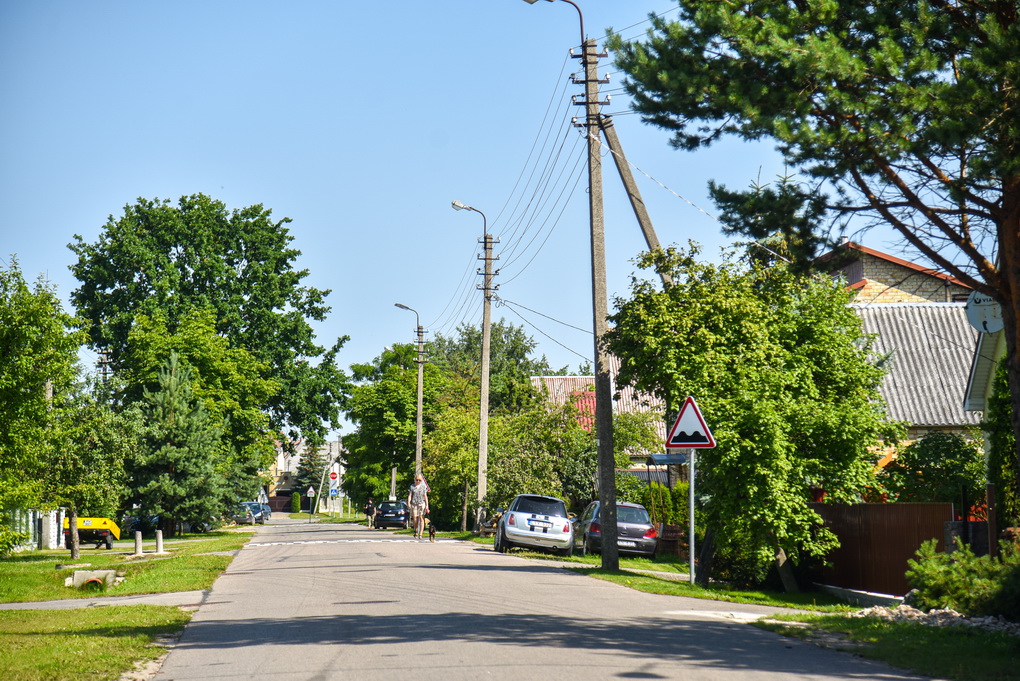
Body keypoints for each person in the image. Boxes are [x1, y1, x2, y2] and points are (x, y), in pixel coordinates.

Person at [407, 474, 430, 539]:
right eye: (417, 480)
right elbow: (410, 495)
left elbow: (425, 496)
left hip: (421, 504)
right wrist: (408, 503)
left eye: (419, 480)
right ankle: (415, 531)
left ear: (421, 480)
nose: (418, 481)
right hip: (414, 504)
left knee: (421, 518)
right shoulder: (412, 486)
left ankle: (421, 534)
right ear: (415, 480)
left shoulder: (423, 487)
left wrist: (427, 506)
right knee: (415, 519)